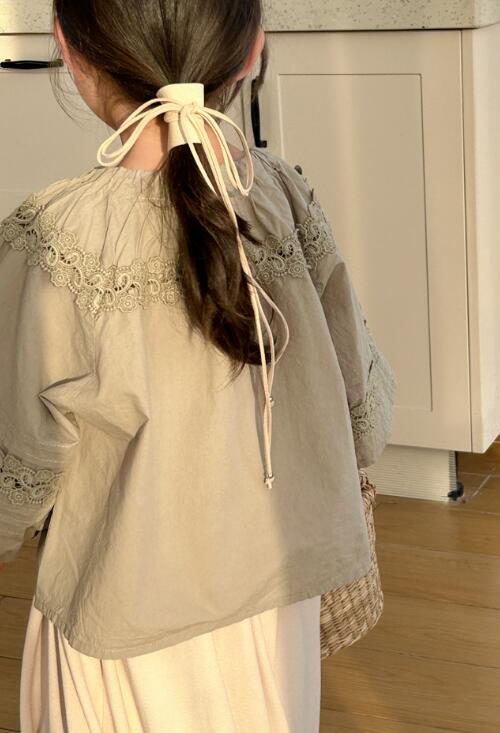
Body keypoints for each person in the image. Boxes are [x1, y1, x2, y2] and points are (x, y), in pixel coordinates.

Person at [0, 0, 397, 730]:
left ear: (68, 49)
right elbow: (363, 413)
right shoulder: (284, 200)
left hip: (121, 624)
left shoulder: (53, 240)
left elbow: (17, 463)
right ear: (252, 48)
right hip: (274, 615)